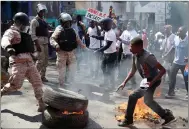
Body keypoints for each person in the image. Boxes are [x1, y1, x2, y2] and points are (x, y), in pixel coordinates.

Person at [117, 37, 176, 127]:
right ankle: (167, 115)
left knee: (133, 96)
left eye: (132, 47)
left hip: (153, 80)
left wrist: (151, 83)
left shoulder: (148, 57)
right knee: (148, 101)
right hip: (147, 80)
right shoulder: (135, 55)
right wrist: (124, 82)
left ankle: (128, 120)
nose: (130, 48)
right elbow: (133, 70)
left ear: (139, 47)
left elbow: (162, 70)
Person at [1, 12, 45, 112]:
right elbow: (5, 39)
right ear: (17, 22)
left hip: (29, 63)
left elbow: (27, 48)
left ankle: (41, 103)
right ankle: (2, 92)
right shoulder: (11, 32)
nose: (24, 27)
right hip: (18, 62)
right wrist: (8, 47)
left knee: (37, 82)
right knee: (16, 85)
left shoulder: (25, 34)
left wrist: (33, 55)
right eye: (23, 24)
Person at [50, 12, 86, 87]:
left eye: (69, 22)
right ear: (62, 22)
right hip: (62, 53)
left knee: (73, 68)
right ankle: (61, 85)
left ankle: (71, 83)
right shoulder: (58, 30)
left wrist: (84, 47)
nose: (68, 24)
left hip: (71, 52)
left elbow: (78, 40)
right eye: (66, 22)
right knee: (61, 70)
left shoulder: (72, 30)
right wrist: (56, 45)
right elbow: (52, 39)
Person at [92, 18, 117, 89]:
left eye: (103, 25)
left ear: (107, 25)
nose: (102, 27)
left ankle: (112, 85)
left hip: (111, 55)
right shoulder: (107, 32)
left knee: (110, 70)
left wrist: (98, 51)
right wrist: (96, 37)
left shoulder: (111, 33)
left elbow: (107, 45)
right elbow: (104, 38)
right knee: (103, 67)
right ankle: (106, 82)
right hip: (106, 54)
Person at [166, 26, 188, 99]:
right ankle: (171, 92)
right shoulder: (176, 38)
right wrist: (167, 54)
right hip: (176, 62)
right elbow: (173, 48)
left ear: (185, 32)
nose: (178, 32)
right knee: (172, 77)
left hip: (185, 64)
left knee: (186, 78)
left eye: (180, 31)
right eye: (178, 31)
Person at [30, 3, 50, 82]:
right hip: (39, 42)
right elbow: (32, 34)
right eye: (41, 11)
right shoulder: (34, 21)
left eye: (43, 11)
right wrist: (37, 44)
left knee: (45, 60)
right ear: (38, 11)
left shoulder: (44, 20)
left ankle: (42, 76)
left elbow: (46, 30)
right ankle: (34, 77)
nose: (43, 13)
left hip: (45, 42)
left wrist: (48, 32)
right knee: (40, 61)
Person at [116, 20, 138, 85]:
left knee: (130, 69)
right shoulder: (125, 31)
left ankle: (133, 83)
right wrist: (117, 46)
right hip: (124, 53)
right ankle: (125, 82)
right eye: (128, 24)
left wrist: (121, 40)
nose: (128, 25)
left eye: (130, 24)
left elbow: (130, 42)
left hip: (131, 54)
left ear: (133, 26)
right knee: (123, 67)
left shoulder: (134, 33)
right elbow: (120, 39)